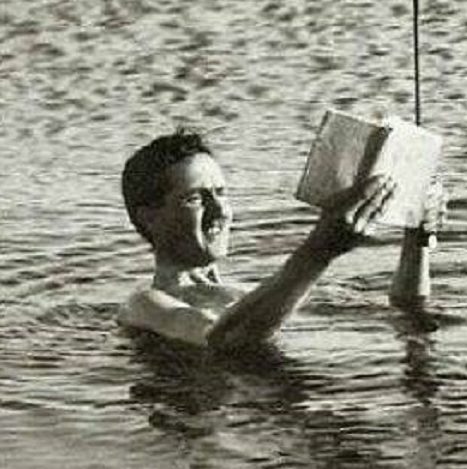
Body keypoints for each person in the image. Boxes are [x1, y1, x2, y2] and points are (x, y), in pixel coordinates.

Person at [118, 128, 441, 350]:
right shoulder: (145, 303)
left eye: (221, 193)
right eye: (195, 199)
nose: (220, 211)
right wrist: (318, 251)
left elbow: (404, 311)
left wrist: (417, 240)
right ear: (150, 216)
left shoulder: (258, 292)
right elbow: (222, 338)